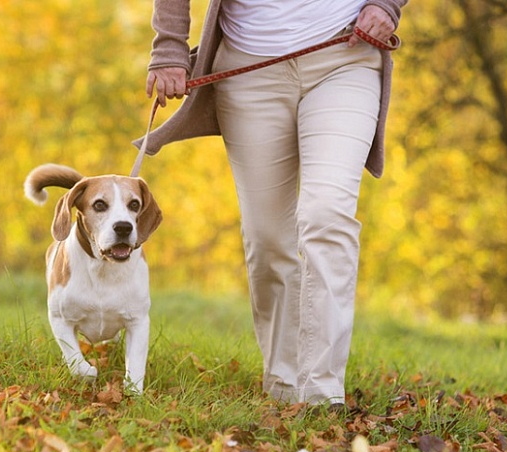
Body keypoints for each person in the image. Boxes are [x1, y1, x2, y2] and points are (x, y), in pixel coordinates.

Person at [135, 0, 407, 406]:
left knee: (327, 214)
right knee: (267, 240)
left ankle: (321, 391)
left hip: (345, 56)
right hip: (249, 71)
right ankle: (283, 384)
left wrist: (387, 4)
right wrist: (170, 48)